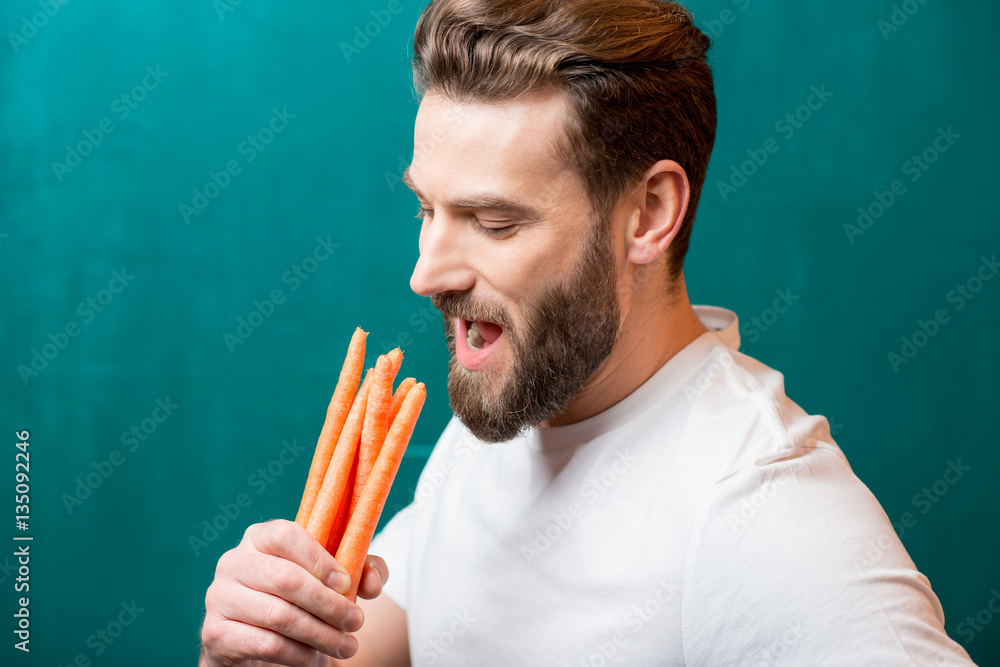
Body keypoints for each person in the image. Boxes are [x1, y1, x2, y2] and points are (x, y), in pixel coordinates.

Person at [199, 1, 978, 665]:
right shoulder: (507, 416)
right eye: (426, 211)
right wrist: (255, 636)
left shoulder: (758, 507)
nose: (427, 273)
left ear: (648, 214)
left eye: (494, 221)